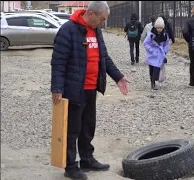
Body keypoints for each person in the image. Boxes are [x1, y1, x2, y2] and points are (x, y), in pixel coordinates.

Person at [51, 2, 129, 180]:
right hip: (74, 89)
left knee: (88, 127)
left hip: (91, 88)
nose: (103, 23)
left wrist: (118, 77)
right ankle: (70, 166)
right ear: (91, 14)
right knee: (72, 129)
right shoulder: (68, 30)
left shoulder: (97, 31)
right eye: (102, 19)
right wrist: (57, 88)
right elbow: (58, 62)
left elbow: (104, 57)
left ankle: (87, 159)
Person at [143, 17, 170, 90]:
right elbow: (145, 43)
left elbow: (167, 43)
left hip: (159, 55)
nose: (159, 29)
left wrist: (164, 50)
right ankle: (152, 83)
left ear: (163, 28)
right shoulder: (151, 35)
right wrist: (151, 50)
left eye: (160, 28)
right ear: (155, 27)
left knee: (157, 68)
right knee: (151, 69)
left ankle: (155, 81)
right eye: (157, 28)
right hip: (152, 55)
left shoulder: (165, 35)